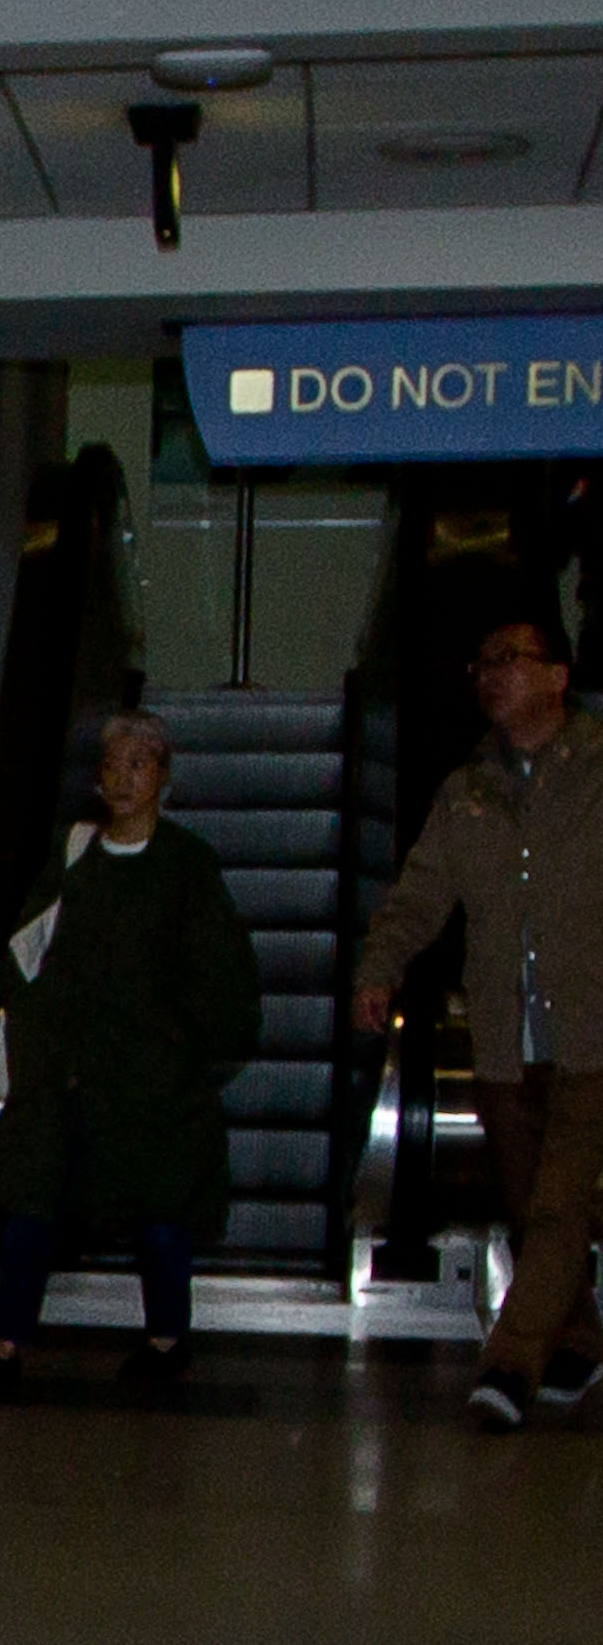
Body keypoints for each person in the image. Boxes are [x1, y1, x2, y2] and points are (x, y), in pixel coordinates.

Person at [0, 710, 260, 1397]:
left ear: (162, 777)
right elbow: (24, 951)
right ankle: (5, 1343)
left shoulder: (185, 866)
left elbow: (219, 974)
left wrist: (187, 1050)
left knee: (159, 1207)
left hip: (146, 1078)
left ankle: (166, 1338)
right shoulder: (74, 856)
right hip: (65, 1070)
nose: (122, 779)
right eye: (112, 766)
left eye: (138, 766)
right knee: (33, 1198)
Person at [353, 607, 603, 1430]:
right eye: (482, 663)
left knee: (563, 1205)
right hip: (503, 1037)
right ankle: (578, 1338)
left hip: (591, 1034)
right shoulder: (466, 793)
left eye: (511, 659)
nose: (491, 674)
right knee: (534, 1210)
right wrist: (378, 971)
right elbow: (422, 895)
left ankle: (508, 1366)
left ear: (559, 677)